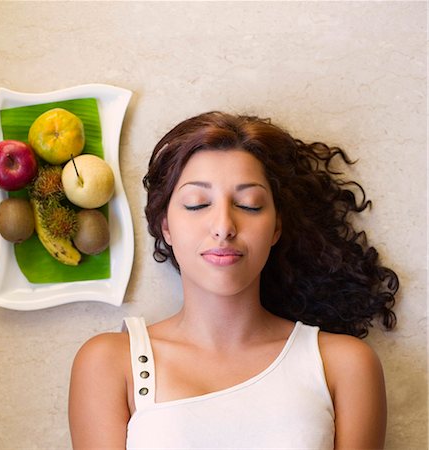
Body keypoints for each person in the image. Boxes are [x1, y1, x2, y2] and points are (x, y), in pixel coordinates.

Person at [69, 111, 398, 449]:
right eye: (197, 204)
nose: (224, 226)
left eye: (249, 204)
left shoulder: (345, 365)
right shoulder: (110, 362)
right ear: (165, 226)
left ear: (276, 227)